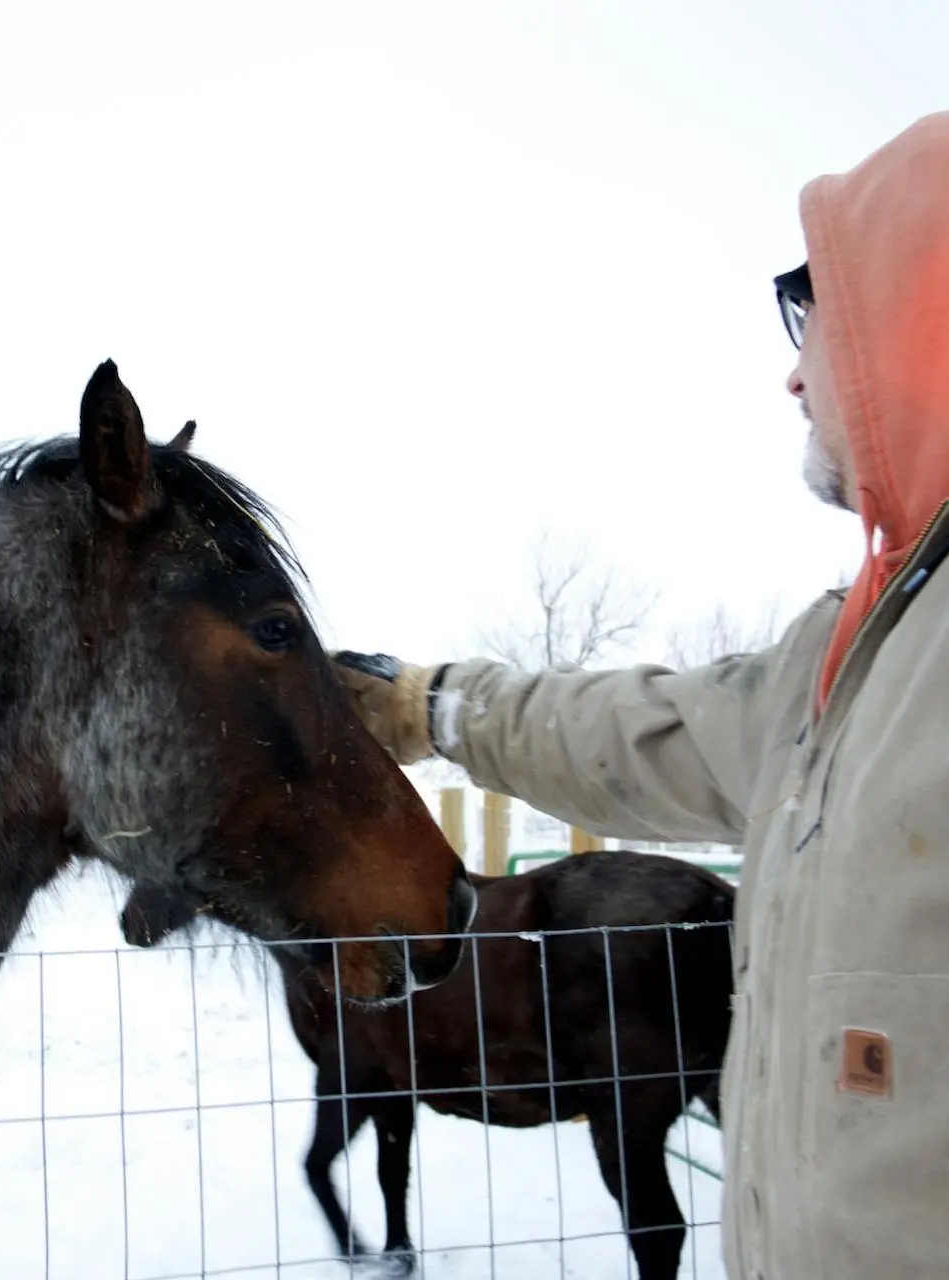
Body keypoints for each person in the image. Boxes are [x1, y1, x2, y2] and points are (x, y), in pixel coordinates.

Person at [333, 112, 949, 1279]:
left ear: (915, 321)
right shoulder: (850, 648)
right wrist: (435, 707)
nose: (790, 369)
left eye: (814, 319)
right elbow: (649, 724)